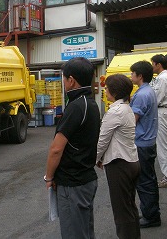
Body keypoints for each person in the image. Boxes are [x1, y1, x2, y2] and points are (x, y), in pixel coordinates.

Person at [45, 57, 100, 239]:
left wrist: (49, 177)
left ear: (71, 80)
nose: (63, 82)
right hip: (85, 177)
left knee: (73, 233)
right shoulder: (90, 103)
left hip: (73, 183)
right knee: (85, 231)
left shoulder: (76, 106)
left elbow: (56, 149)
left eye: (64, 78)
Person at [96, 74, 140, 239]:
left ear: (113, 91)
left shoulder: (115, 111)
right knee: (129, 207)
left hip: (119, 164)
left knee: (121, 212)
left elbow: (102, 140)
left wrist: (96, 159)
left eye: (107, 88)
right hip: (131, 160)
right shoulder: (127, 108)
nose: (105, 90)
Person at [129, 60, 161, 228]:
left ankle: (151, 216)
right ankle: (151, 212)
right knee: (149, 179)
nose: (131, 76)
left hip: (142, 143)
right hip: (148, 141)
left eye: (133, 73)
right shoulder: (148, 91)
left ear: (140, 76)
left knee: (144, 181)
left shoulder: (141, 95)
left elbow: (132, 121)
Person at [150, 54, 167, 188]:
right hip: (166, 112)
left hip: (163, 111)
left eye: (153, 64)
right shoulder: (166, 77)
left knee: (163, 147)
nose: (152, 66)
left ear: (158, 65)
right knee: (166, 146)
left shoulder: (162, 79)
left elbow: (156, 98)